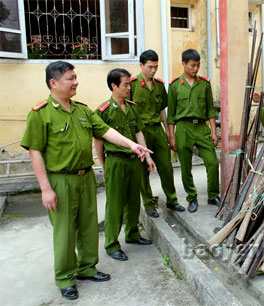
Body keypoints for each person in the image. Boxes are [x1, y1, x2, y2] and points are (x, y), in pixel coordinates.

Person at [20, 61, 151, 300]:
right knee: (65, 232)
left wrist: (133, 144)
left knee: (89, 225)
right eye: (70, 78)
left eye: (75, 77)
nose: (75, 82)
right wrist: (45, 189)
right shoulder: (41, 113)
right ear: (54, 83)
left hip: (85, 177)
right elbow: (35, 151)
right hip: (60, 180)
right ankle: (65, 277)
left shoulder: (82, 110)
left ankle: (87, 267)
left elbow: (105, 131)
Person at [94, 68, 156, 262]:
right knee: (115, 204)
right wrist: (104, 166)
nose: (129, 87)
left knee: (133, 200)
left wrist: (147, 157)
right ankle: (112, 244)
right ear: (114, 86)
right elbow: (98, 142)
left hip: (134, 160)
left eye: (130, 84)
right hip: (115, 161)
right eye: (126, 85)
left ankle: (132, 234)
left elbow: (138, 133)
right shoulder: (103, 111)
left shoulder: (131, 107)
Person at [130, 50, 185, 218]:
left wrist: (169, 134)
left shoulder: (159, 85)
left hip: (157, 130)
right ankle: (148, 203)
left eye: (156, 67)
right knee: (143, 170)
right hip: (141, 132)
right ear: (141, 66)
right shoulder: (132, 85)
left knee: (166, 167)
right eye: (150, 67)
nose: (153, 70)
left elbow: (163, 111)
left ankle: (172, 200)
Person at [167, 49, 220, 213]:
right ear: (184, 64)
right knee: (185, 166)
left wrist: (213, 131)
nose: (196, 69)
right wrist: (171, 136)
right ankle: (192, 197)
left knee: (212, 162)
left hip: (201, 127)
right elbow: (171, 116)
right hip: (183, 128)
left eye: (198, 65)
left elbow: (211, 110)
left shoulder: (204, 84)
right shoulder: (175, 86)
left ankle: (213, 195)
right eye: (192, 65)